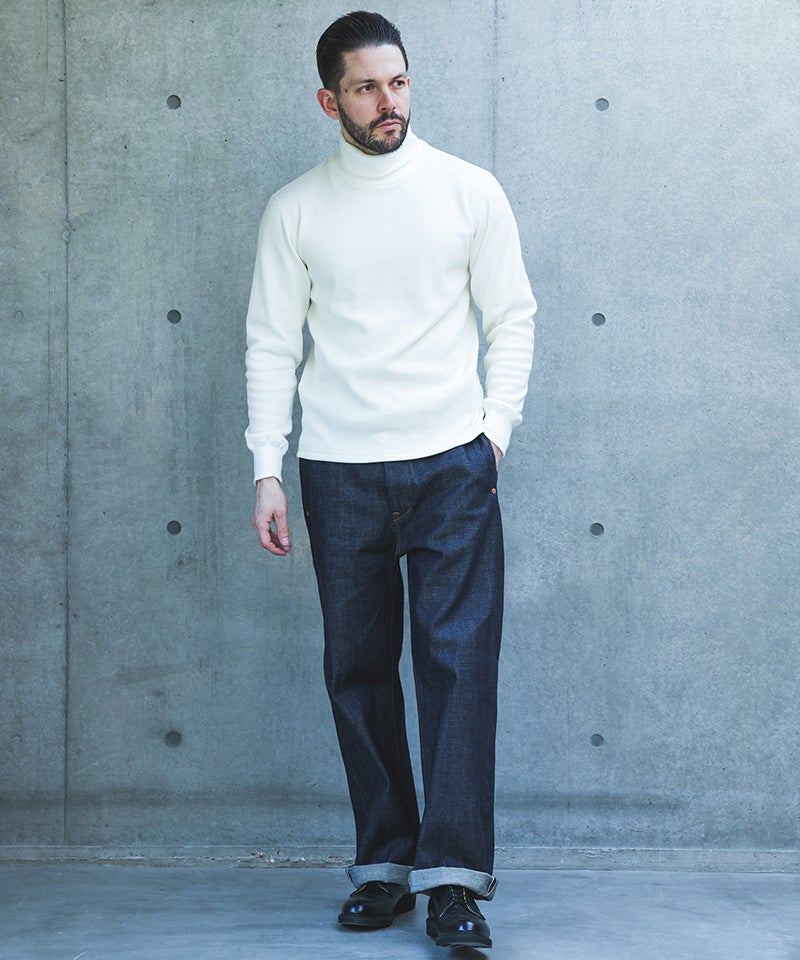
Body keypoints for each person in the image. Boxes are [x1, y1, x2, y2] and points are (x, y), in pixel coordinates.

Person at [245, 11, 536, 950]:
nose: (388, 102)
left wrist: (493, 438)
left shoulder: (467, 191)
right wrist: (266, 467)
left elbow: (513, 316)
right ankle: (385, 866)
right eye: (366, 87)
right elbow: (270, 343)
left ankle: (453, 880)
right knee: (358, 670)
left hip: (453, 464)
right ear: (328, 99)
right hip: (337, 470)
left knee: (459, 669)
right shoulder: (296, 210)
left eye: (398, 82)